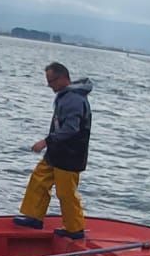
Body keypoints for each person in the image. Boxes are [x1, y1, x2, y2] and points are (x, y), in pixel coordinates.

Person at [13, 62, 93, 240]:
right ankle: (34, 216)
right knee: (39, 179)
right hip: (56, 153)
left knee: (66, 192)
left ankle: (75, 229)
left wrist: (46, 141)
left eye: (52, 81)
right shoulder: (65, 96)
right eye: (48, 81)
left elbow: (71, 129)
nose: (49, 85)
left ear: (64, 78)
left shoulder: (74, 99)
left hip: (70, 155)